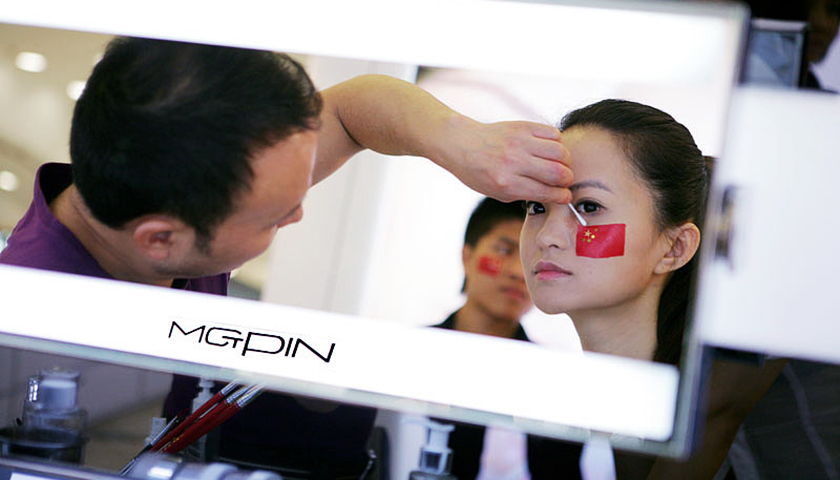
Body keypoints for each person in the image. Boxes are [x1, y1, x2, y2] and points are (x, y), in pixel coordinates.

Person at [0, 36, 574, 479]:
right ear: (161, 240)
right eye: (273, 217)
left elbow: (350, 109)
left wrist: (459, 140)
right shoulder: (28, 332)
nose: (297, 214)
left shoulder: (195, 174)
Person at [431, 196, 581, 480]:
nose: (517, 272)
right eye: (504, 250)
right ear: (467, 256)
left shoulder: (554, 381)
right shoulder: (410, 353)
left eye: (531, 258)